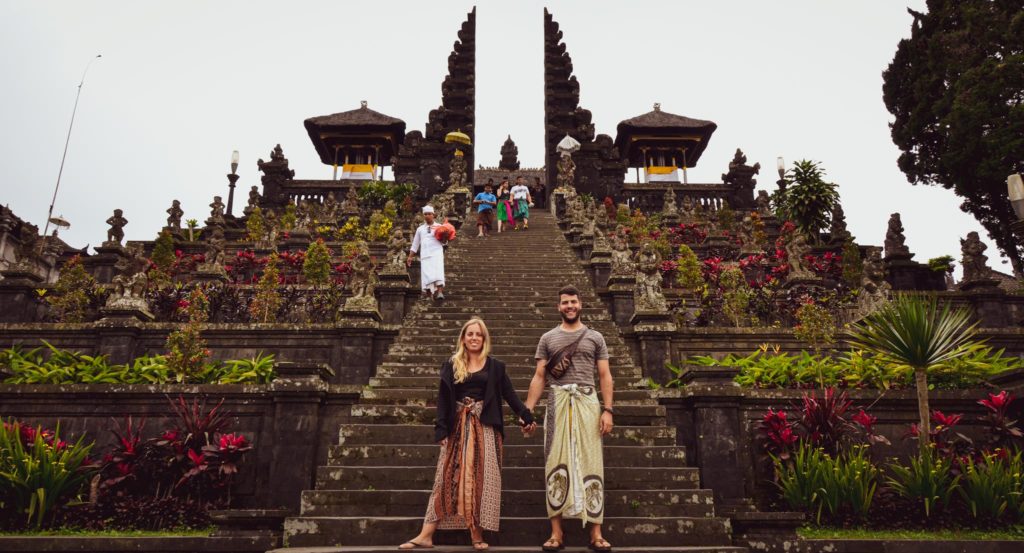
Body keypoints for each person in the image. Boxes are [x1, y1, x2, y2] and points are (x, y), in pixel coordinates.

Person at [400, 318, 537, 551]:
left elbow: (510, 395)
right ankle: (426, 534)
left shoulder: (496, 367)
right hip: (456, 426)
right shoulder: (451, 365)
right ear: (463, 338)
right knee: (445, 477)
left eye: (479, 334)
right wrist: (441, 428)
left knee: (480, 479)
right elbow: (443, 400)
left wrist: (527, 416)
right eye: (470, 334)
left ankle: (476, 534)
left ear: (484, 339)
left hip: (485, 427)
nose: (474, 338)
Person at [525, 285, 614, 552]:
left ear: (581, 304)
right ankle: (556, 533)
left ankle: (596, 533)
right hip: (557, 402)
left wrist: (607, 409)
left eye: (573, 301)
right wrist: (527, 410)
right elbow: (540, 377)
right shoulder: (548, 338)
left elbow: (605, 376)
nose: (569, 306)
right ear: (558, 307)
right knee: (555, 460)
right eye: (565, 302)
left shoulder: (595, 337)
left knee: (592, 462)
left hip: (587, 402)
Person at [407, 205, 446, 301]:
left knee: (438, 272)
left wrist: (445, 236)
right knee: (426, 274)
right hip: (425, 254)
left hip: (437, 252)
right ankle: (429, 295)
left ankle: (440, 292)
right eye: (425, 214)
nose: (427, 216)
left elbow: (445, 242)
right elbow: (415, 244)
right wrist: (410, 257)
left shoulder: (439, 227)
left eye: (429, 214)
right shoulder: (420, 229)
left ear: (433, 215)